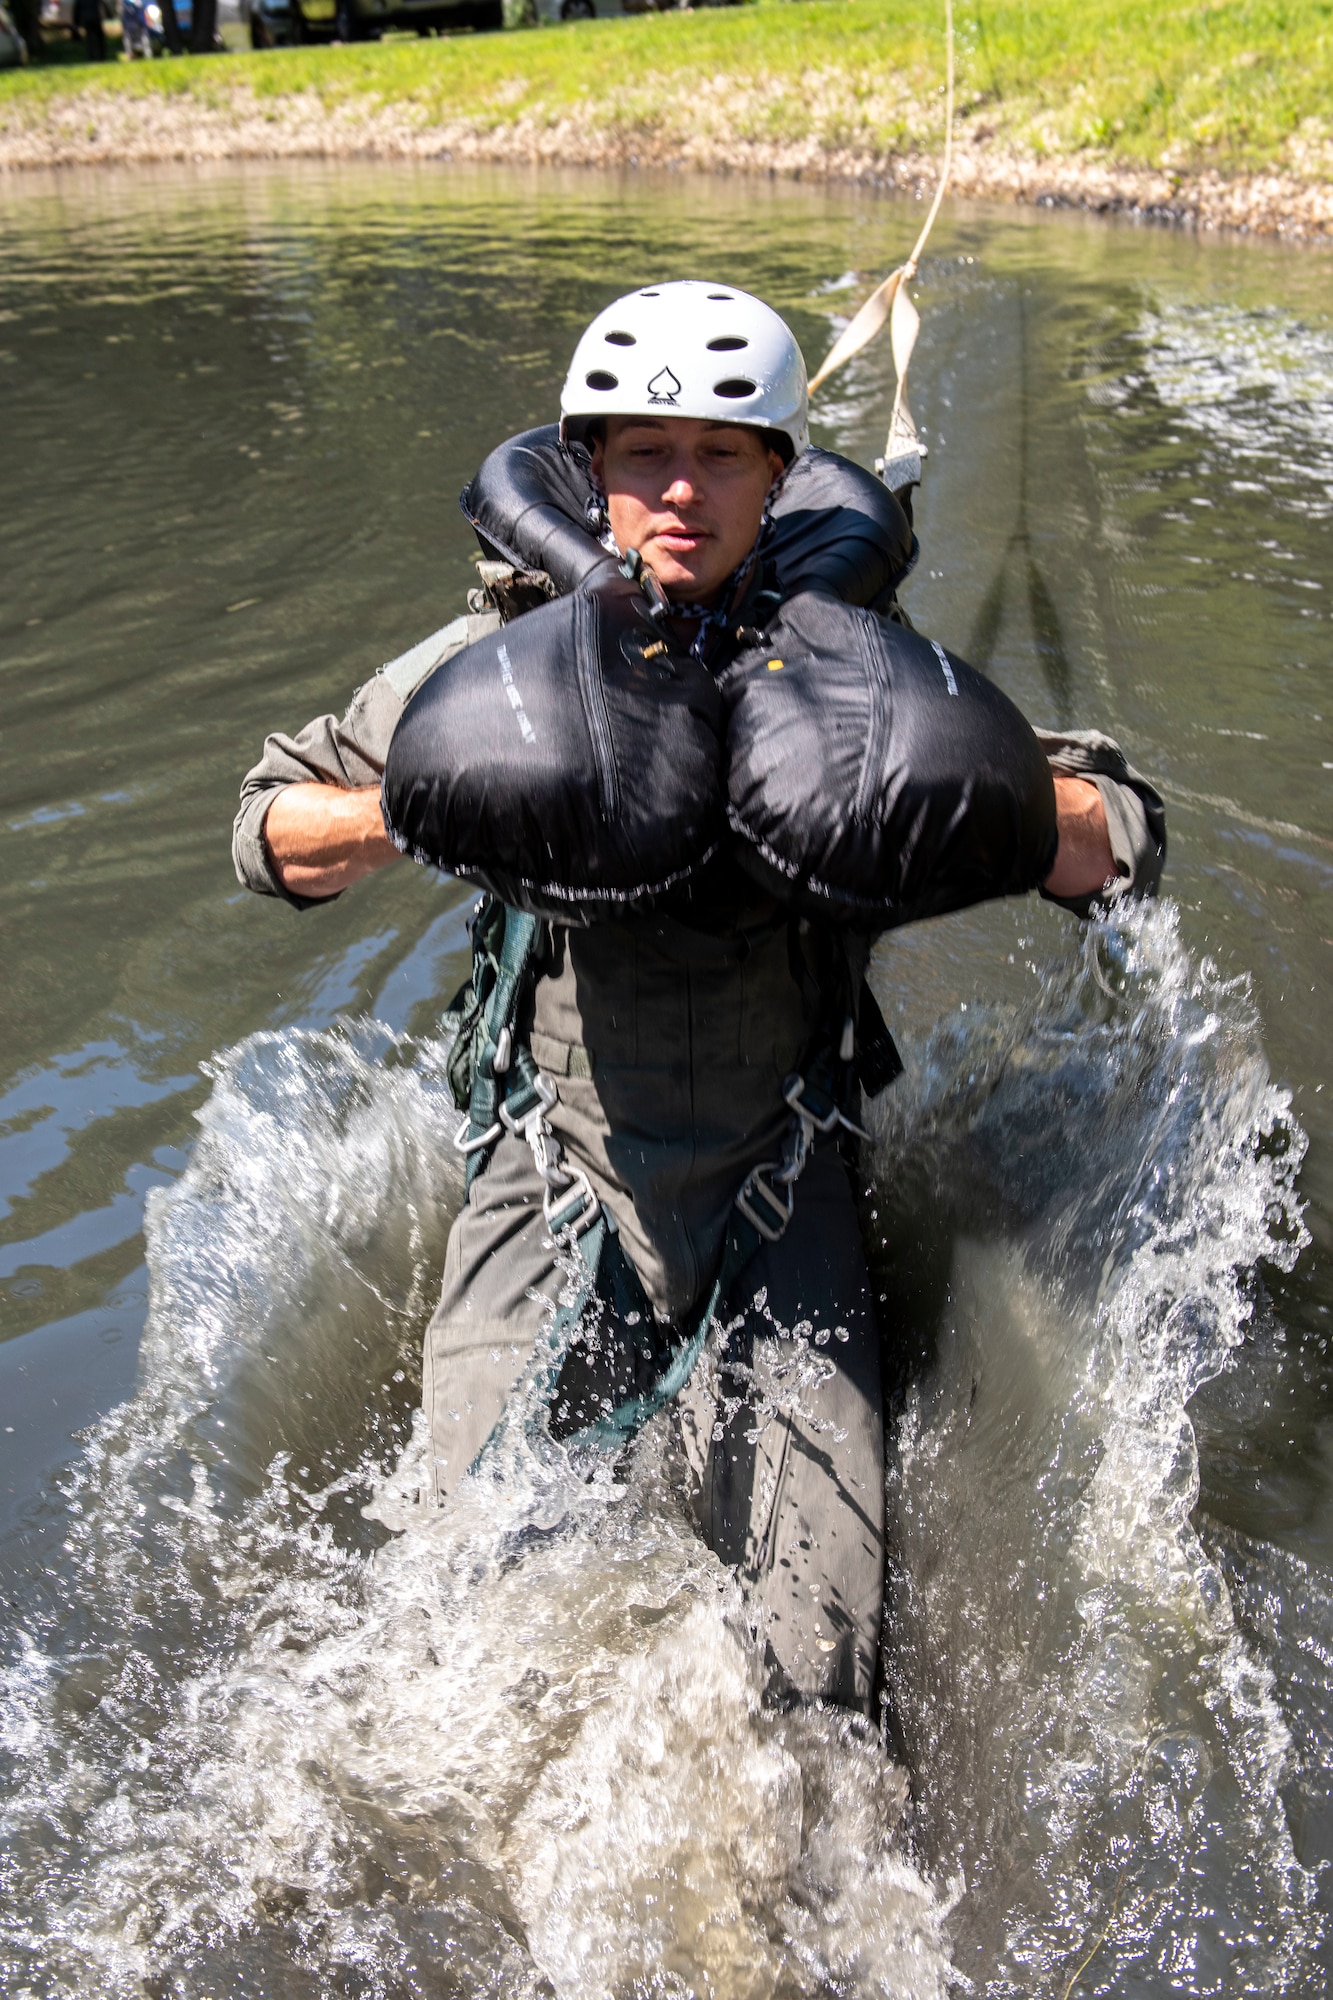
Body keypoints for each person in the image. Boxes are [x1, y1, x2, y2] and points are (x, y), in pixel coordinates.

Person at [233, 282, 1165, 1716]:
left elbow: (1120, 836)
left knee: (820, 1676)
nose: (679, 491)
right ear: (587, 474)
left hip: (781, 1177)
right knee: (461, 1643)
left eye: (722, 454)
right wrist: (433, 802)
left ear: (780, 475)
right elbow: (266, 834)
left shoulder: (857, 662)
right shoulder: (506, 657)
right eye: (640, 454)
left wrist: (959, 788)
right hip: (557, 1176)